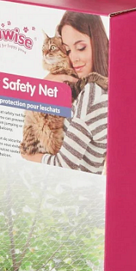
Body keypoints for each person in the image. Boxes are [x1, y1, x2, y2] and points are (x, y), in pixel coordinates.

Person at [21, 11, 108, 174]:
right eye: (67, 50)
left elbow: (63, 166)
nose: (73, 58)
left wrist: (29, 157)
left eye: (81, 47)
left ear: (98, 44)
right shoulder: (90, 91)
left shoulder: (92, 92)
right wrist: (44, 86)